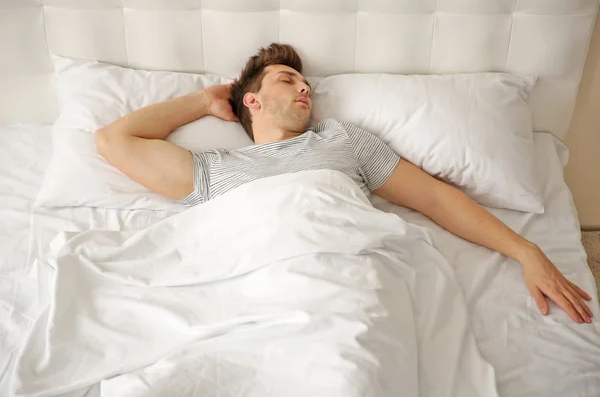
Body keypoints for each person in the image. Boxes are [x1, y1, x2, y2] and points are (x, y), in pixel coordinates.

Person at [95, 43, 594, 325]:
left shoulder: (346, 141)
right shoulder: (217, 169)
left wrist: (526, 252)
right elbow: (114, 140)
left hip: (343, 285)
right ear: (252, 101)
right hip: (256, 292)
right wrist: (203, 102)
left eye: (304, 80)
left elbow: (438, 199)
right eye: (287, 79)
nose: (305, 86)